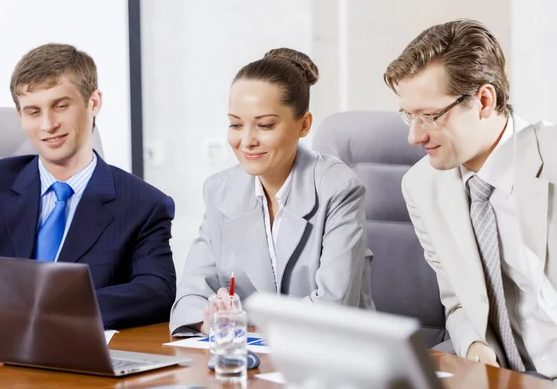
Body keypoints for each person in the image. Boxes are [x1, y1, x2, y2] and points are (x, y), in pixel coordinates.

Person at [0, 43, 176, 329]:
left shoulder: (144, 204)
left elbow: (157, 292)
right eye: (33, 112)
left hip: (77, 359)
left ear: (93, 102)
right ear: (20, 117)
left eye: (60, 106)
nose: (47, 125)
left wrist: (25, 306)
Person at [384, 19, 557, 378]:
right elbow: (457, 300)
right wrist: (474, 345)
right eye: (408, 116)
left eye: (430, 116)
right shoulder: (421, 186)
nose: (414, 137)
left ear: (483, 100)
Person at [170, 48, 374, 335]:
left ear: (304, 124)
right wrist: (212, 321)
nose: (247, 140)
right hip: (249, 363)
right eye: (235, 124)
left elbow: (333, 307)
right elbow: (189, 299)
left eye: (265, 125)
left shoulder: (338, 188)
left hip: (330, 359)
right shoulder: (220, 190)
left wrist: (236, 321)